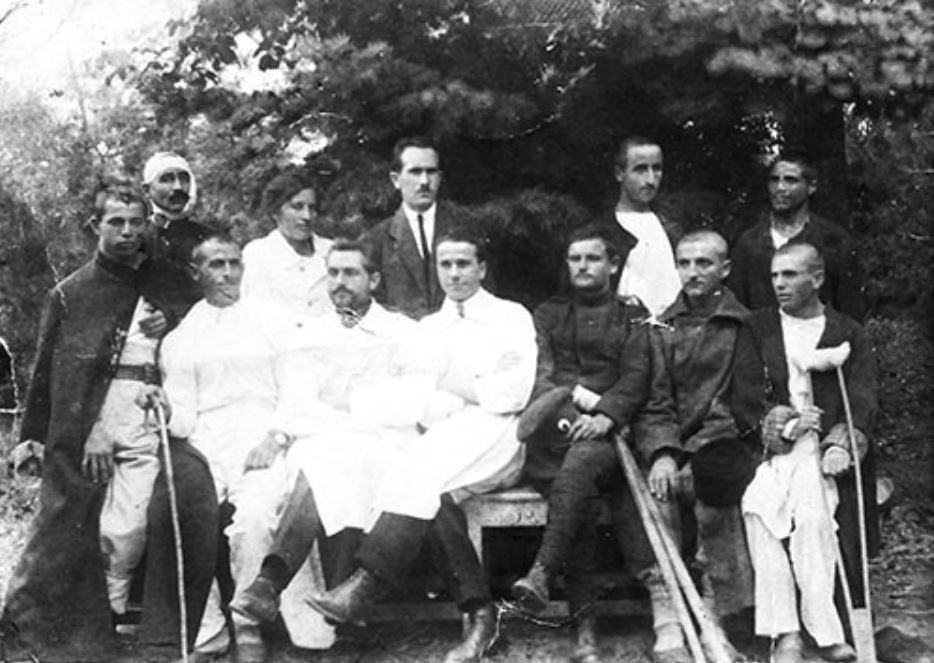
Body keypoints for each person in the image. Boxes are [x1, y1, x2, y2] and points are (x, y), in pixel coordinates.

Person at [305, 228, 537, 663]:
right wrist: (474, 383)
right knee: (426, 486)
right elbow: (419, 399)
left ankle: (364, 585)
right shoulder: (429, 329)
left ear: (482, 268)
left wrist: (451, 382)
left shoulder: (511, 317)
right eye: (446, 264)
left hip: (500, 434)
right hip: (445, 433)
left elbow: (514, 392)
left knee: (421, 478)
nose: (455, 273)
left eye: (464, 263)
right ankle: (480, 617)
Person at [0, 182, 178, 663]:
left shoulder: (165, 283)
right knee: (62, 525)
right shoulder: (72, 292)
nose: (127, 232)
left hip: (148, 415)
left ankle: (115, 622)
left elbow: (195, 325)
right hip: (79, 423)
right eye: (116, 222)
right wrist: (32, 437)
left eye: (136, 222)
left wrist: (170, 318)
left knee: (129, 523)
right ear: (95, 226)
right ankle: (28, 631)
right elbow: (47, 372)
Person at [139, 234, 317, 663]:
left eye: (234, 263)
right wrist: (164, 408)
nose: (228, 274)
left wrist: (276, 437)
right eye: (216, 265)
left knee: (255, 514)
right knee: (188, 509)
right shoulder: (182, 338)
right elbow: (184, 416)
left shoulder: (273, 321)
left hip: (263, 434)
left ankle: (246, 622)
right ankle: (209, 628)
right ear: (196, 273)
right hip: (206, 443)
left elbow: (298, 389)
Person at [230, 238, 427, 625]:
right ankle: (277, 589)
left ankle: (271, 582)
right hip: (324, 438)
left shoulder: (401, 331)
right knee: (324, 462)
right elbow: (298, 404)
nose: (339, 282)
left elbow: (410, 401)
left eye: (350, 273)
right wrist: (356, 411)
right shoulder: (308, 334)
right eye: (333, 273)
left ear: (373, 280)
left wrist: (348, 406)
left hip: (386, 442)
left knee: (337, 463)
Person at [510, 224, 651, 663]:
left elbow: (638, 375)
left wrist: (607, 415)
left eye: (592, 258)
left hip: (612, 438)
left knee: (583, 467)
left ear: (613, 264)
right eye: (575, 259)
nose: (583, 266)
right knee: (579, 493)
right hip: (557, 434)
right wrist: (575, 419)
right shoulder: (549, 314)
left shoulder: (633, 314)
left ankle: (546, 575)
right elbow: (543, 377)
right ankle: (582, 625)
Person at [732, 243, 878, 663]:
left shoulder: (847, 332)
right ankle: (785, 632)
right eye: (775, 275)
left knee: (813, 518)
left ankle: (826, 631)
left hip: (821, 453)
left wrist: (840, 444)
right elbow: (744, 396)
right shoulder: (758, 327)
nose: (779, 283)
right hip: (774, 451)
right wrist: (785, 424)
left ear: (817, 278)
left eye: (790, 274)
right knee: (759, 512)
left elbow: (862, 399)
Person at [632, 230, 760, 662]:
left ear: (725, 269)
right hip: (672, 442)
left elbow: (738, 404)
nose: (692, 272)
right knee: (658, 488)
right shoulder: (661, 326)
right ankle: (669, 612)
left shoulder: (743, 326)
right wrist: (663, 452)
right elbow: (655, 400)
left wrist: (696, 452)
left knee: (711, 482)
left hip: (723, 441)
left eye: (704, 263)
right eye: (684, 263)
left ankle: (716, 613)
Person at [728, 152, 865, 321]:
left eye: (790, 180)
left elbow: (850, 311)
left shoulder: (834, 240)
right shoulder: (749, 243)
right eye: (774, 180)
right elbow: (737, 308)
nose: (780, 187)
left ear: (811, 186)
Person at [366, 136, 458, 319]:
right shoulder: (375, 241)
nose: (424, 181)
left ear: (439, 178)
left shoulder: (463, 231)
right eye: (415, 172)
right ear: (396, 180)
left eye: (431, 172)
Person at [603, 136, 683, 317]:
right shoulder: (601, 234)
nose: (650, 180)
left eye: (657, 169)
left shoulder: (673, 230)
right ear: (619, 173)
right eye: (640, 169)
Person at [241, 170, 334, 321]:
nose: (306, 216)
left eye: (312, 208)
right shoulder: (257, 254)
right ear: (275, 212)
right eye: (297, 207)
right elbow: (250, 314)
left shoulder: (332, 252)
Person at [139, 151, 212, 326]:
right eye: (166, 179)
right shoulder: (137, 242)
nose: (178, 187)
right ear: (147, 190)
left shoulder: (211, 239)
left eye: (184, 179)